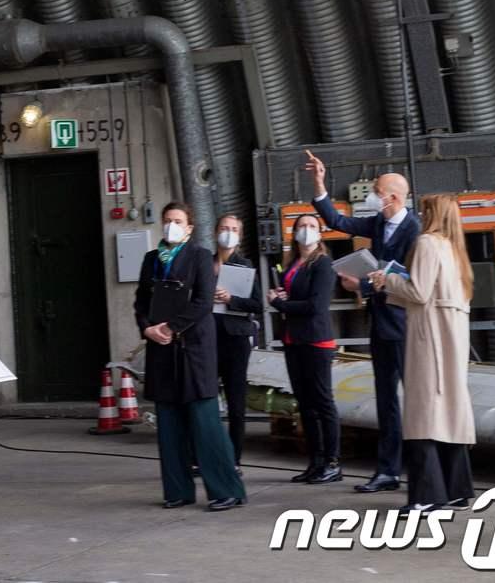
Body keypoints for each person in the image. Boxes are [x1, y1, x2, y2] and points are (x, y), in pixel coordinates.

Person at [304, 149, 419, 493]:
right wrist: (319, 184)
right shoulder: (380, 224)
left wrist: (364, 284)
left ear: (394, 197)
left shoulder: (415, 230)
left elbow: (413, 278)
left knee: (414, 400)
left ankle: (423, 470)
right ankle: (388, 471)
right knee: (386, 400)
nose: (371, 197)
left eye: (377, 192)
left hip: (404, 324)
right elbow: (339, 223)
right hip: (382, 323)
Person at [134, 201, 247, 511]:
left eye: (178, 220)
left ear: (189, 227)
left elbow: (202, 303)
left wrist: (171, 327)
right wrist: (147, 329)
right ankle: (177, 490)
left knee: (204, 421)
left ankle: (226, 490)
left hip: (193, 348)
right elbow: (141, 302)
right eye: (167, 219)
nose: (172, 225)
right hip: (160, 349)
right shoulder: (151, 260)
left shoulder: (199, 258)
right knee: (169, 424)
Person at [367, 194, 475, 511]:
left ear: (432, 214)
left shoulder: (428, 243)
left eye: (424, 210)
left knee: (423, 413)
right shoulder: (455, 248)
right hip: (451, 334)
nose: (420, 215)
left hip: (430, 337)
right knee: (449, 409)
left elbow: (419, 291)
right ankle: (457, 489)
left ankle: (427, 496)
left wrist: (387, 279)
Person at [268, 213, 342, 484]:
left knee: (322, 401)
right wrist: (281, 295)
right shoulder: (293, 264)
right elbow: (299, 296)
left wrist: (280, 305)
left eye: (312, 226)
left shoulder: (323, 264)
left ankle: (332, 461)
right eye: (302, 226)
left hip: (315, 340)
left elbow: (316, 305)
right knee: (306, 404)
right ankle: (316, 461)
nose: (306, 230)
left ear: (320, 234)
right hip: (294, 339)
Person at [213, 214, 262, 471]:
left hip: (235, 339)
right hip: (207, 339)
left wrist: (231, 299)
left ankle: (234, 459)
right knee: (205, 401)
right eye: (224, 228)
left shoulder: (245, 266)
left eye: (233, 229)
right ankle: (205, 456)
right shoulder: (204, 264)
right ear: (215, 232)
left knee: (236, 402)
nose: (228, 233)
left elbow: (257, 304)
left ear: (240, 236)